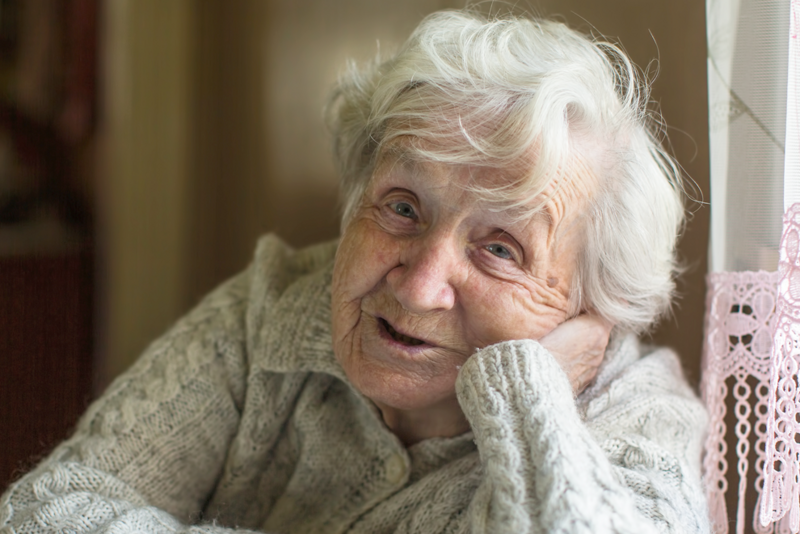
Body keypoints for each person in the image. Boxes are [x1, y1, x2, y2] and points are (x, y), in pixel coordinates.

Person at [0, 10, 710, 534]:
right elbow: (44, 513)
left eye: (501, 250)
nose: (418, 284)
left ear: (591, 303)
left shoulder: (642, 419)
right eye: (402, 206)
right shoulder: (276, 311)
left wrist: (530, 392)